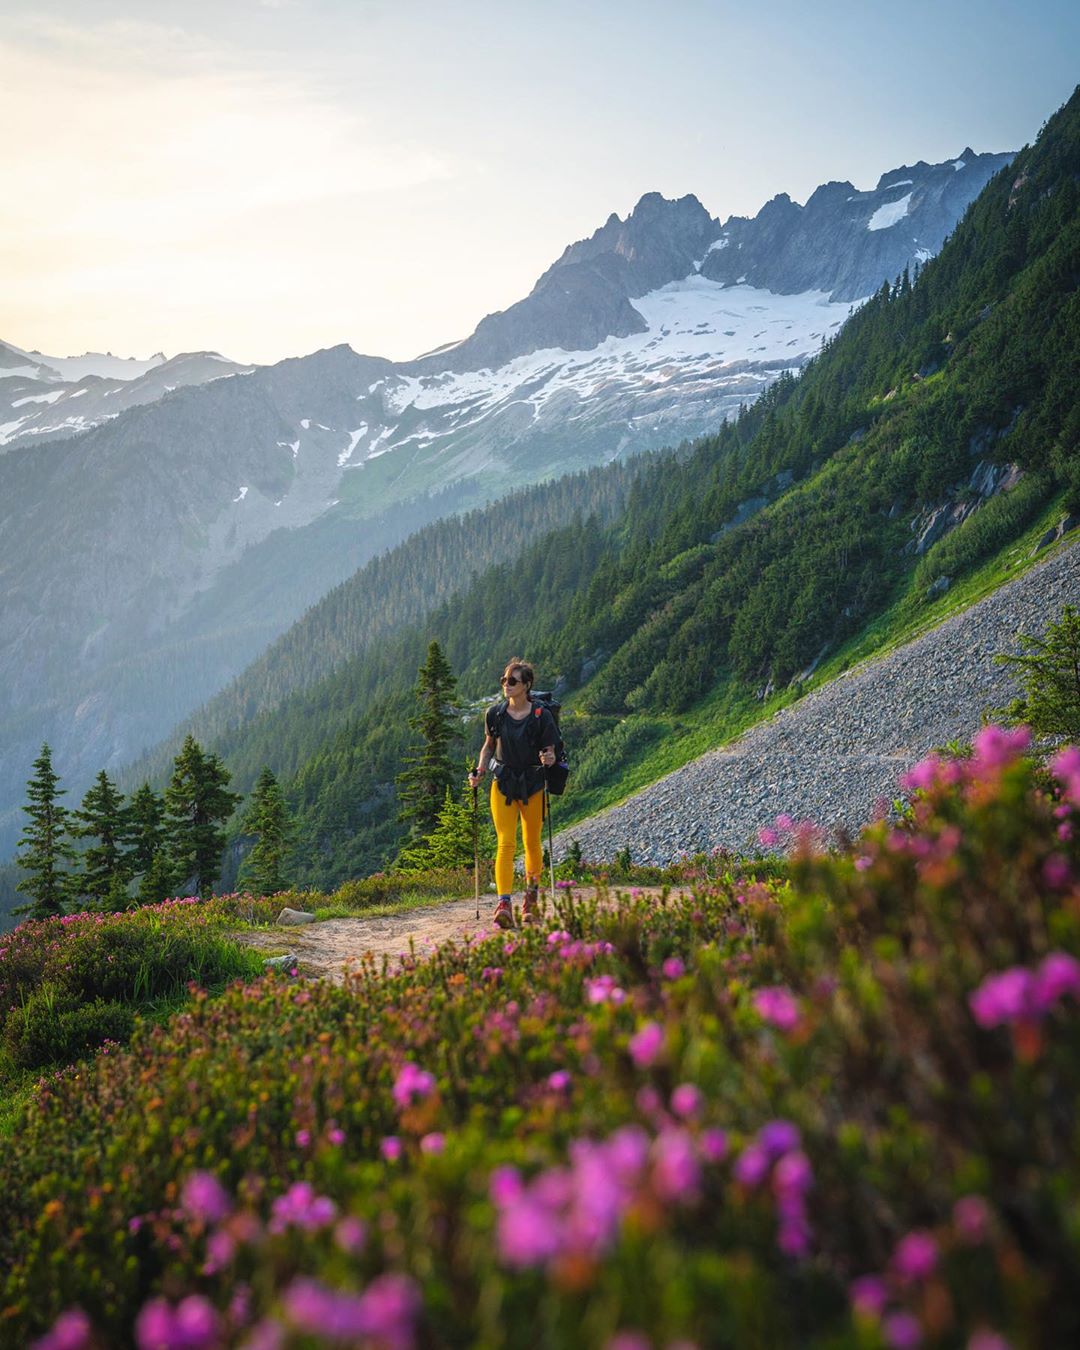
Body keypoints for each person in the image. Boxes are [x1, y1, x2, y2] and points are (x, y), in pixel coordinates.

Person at [468, 658, 556, 928]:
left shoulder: (542, 717)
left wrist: (549, 759)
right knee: (506, 842)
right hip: (503, 783)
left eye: (513, 681)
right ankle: (503, 903)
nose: (507, 685)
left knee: (531, 842)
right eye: (504, 680)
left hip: (532, 784)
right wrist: (480, 770)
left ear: (527, 685)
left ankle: (531, 900)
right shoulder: (495, 714)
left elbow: (550, 750)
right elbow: (488, 746)